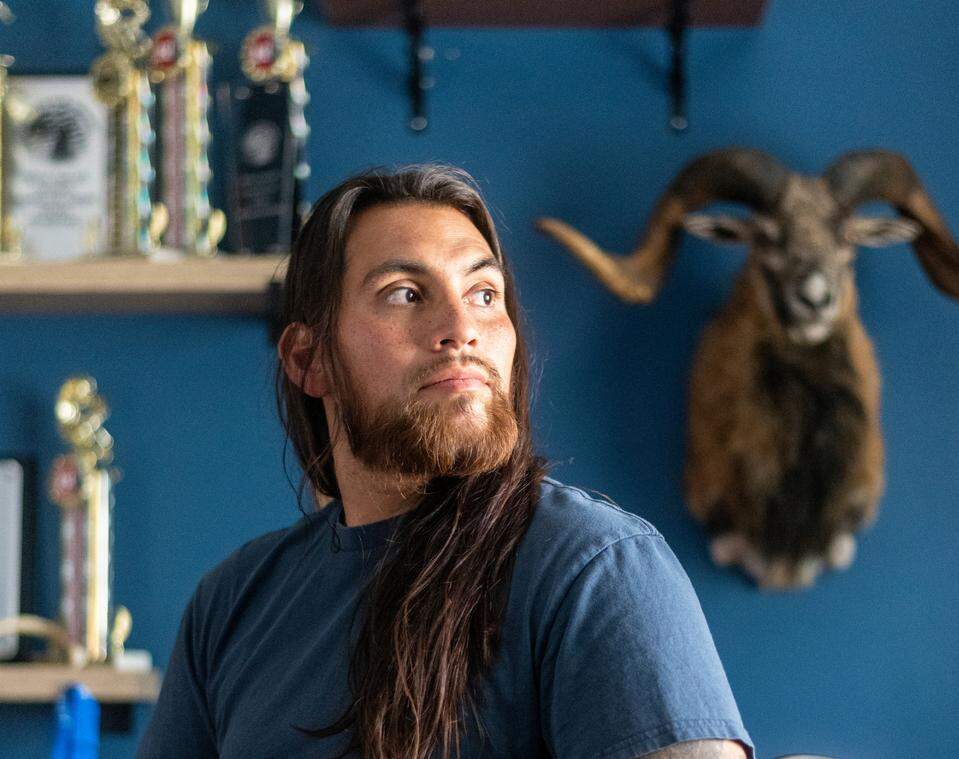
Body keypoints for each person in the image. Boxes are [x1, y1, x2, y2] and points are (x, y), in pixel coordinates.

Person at [138, 165, 755, 759]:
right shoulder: (233, 603)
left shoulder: (597, 571)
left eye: (484, 294)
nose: (461, 328)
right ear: (309, 359)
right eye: (405, 294)